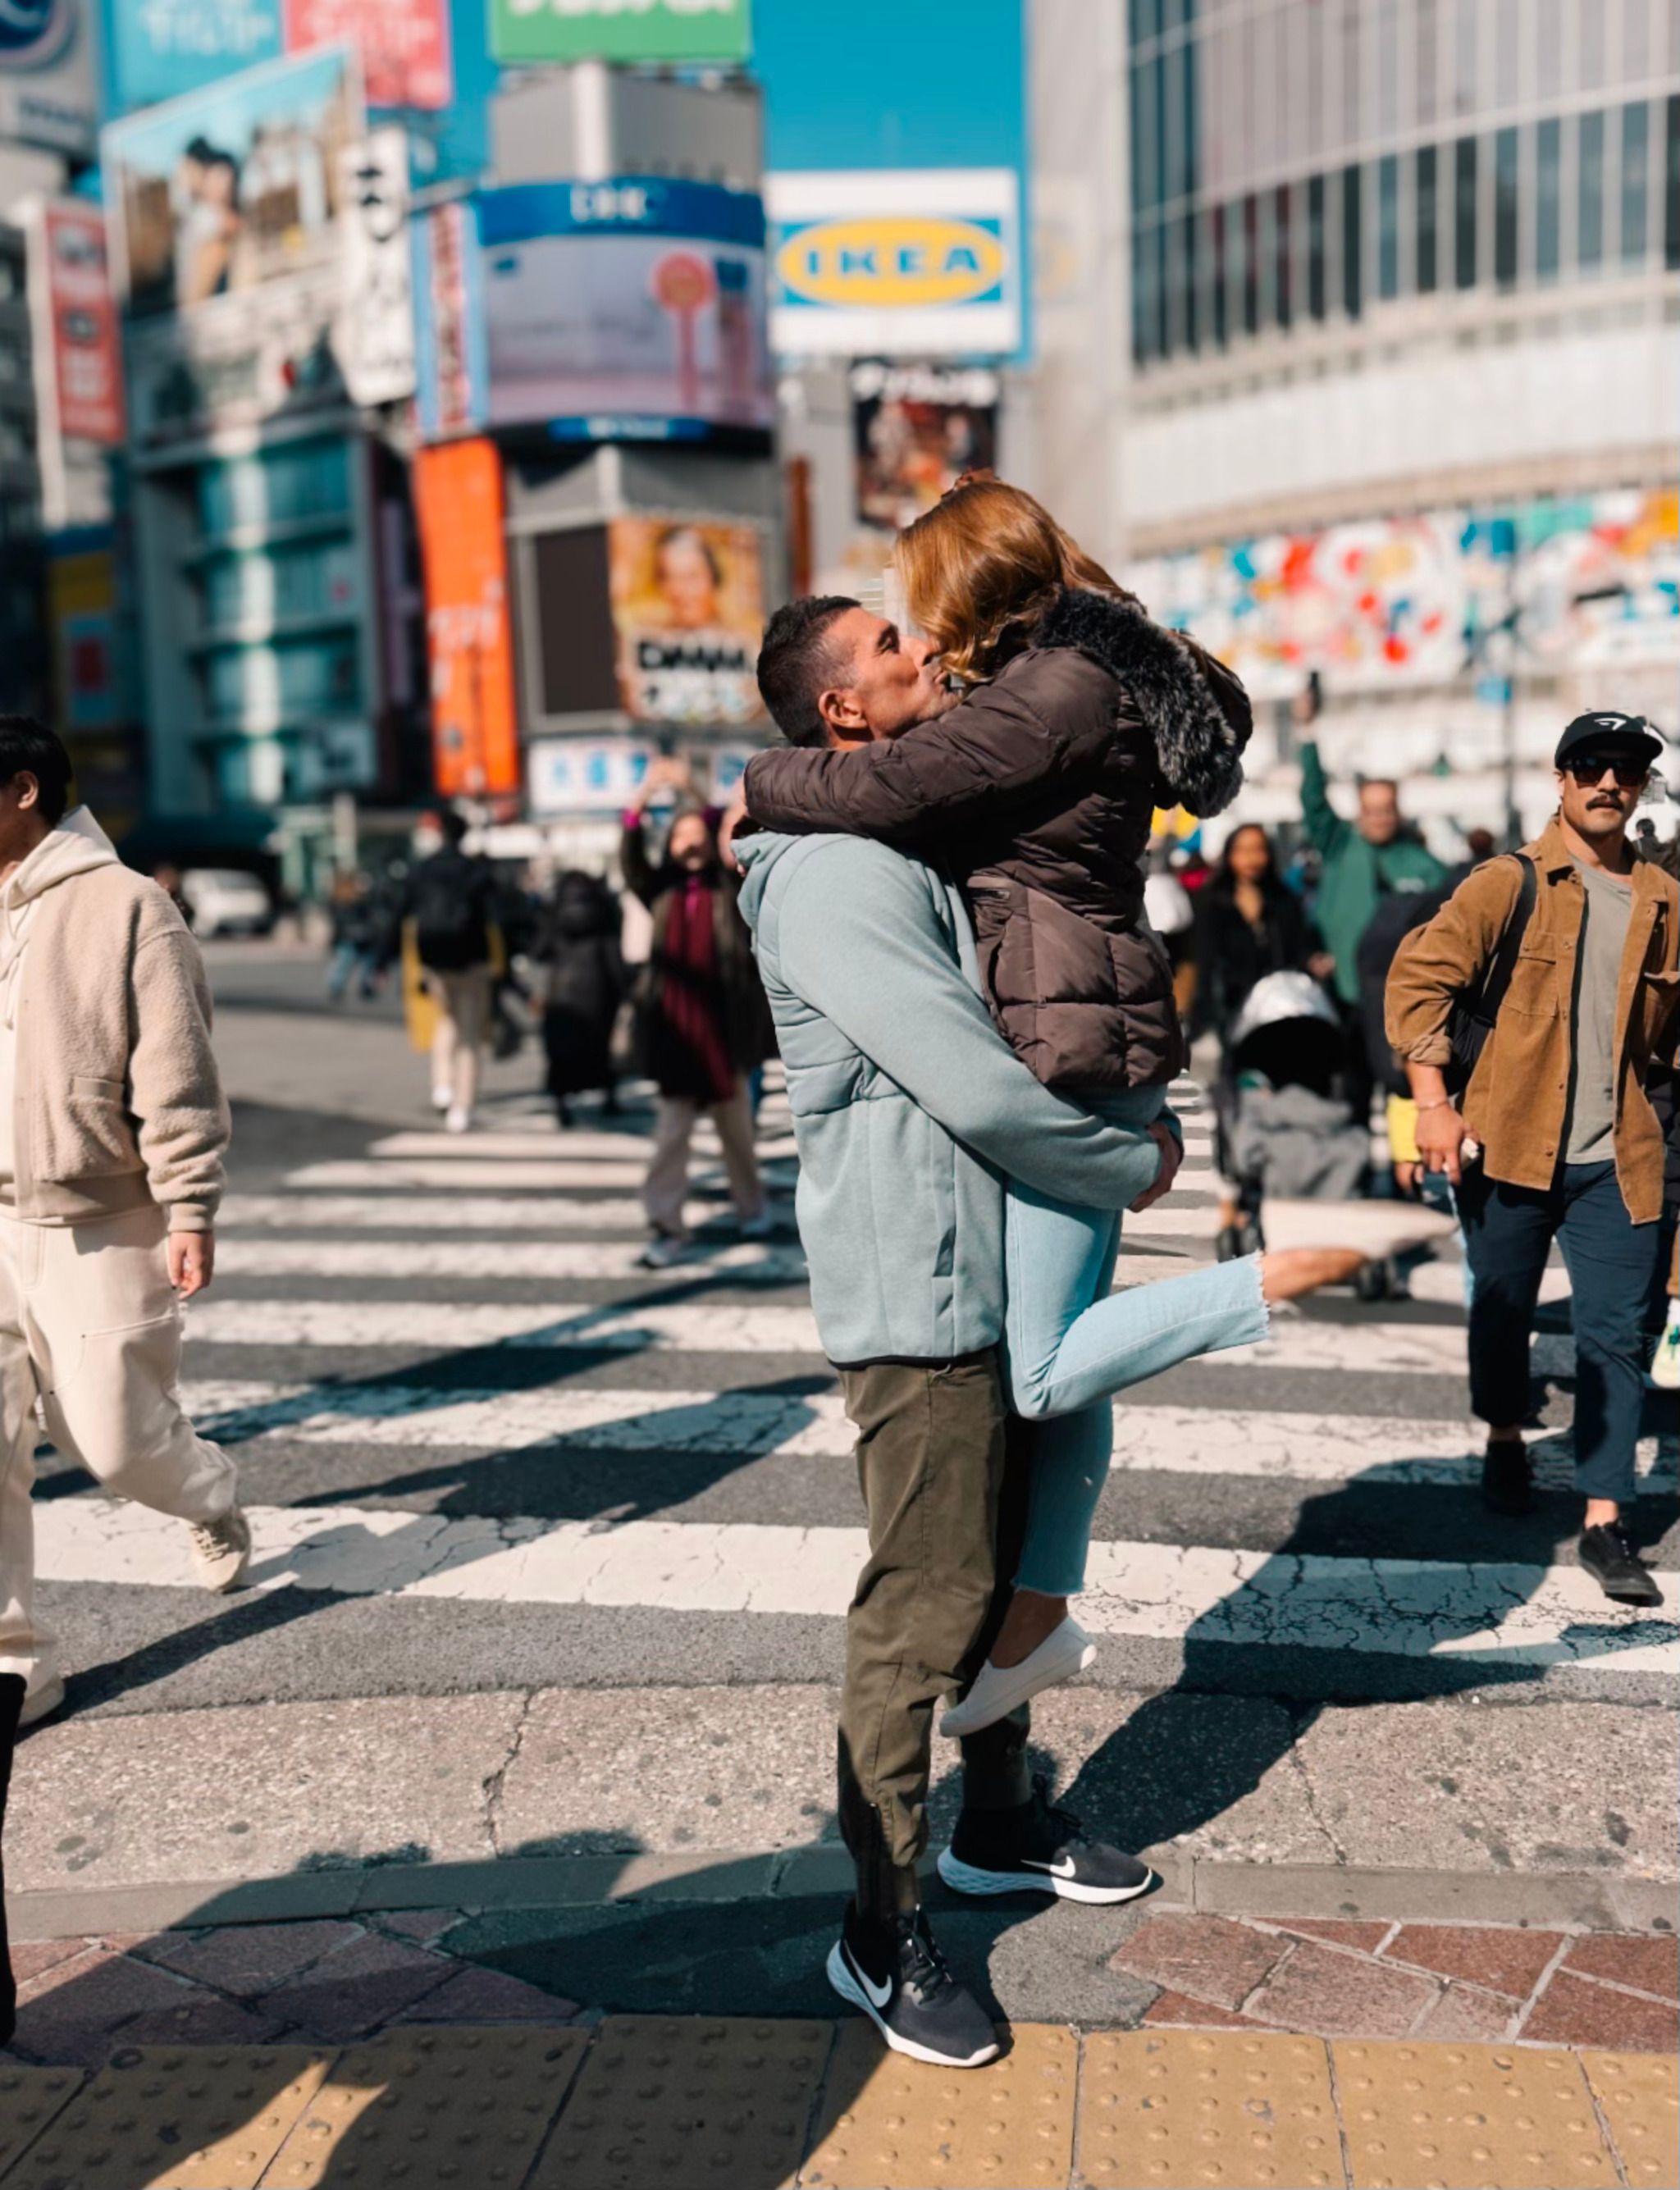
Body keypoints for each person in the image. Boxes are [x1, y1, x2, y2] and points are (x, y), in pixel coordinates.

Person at [746, 484, 1416, 1731]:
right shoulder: (1064, 674)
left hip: (1072, 1041)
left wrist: (764, 776)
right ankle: (1039, 1613)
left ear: (972, 581)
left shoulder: (1057, 684)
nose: (921, 636)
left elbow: (895, 786)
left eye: (918, 607)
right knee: (1055, 1360)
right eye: (896, 632)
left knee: (1046, 1369)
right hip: (1077, 1024)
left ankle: (1259, 1285)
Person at [1387, 710, 1680, 1604]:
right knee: (1501, 1312)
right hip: (1506, 1143)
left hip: (1618, 1156)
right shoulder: (1505, 883)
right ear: (1560, 779)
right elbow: (1418, 983)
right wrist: (1432, 1106)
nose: (1608, 782)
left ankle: (1604, 1521)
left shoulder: (1666, 901)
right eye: (1591, 765)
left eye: (1625, 769)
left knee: (1616, 1336)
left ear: (1641, 786)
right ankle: (1505, 1436)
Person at [0, 718, 252, 1745]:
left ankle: (207, 1493)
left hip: (100, 1214)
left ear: (23, 790)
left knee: (114, 1441)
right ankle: (15, 1660)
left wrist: (189, 1206)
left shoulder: (129, 905)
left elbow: (177, 1076)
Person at [621, 760, 774, 1267]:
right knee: (671, 1138)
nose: (689, 843)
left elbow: (718, 824)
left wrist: (689, 789)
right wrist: (644, 797)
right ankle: (666, 1225)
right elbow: (630, 856)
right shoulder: (659, 890)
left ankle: (752, 1209)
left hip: (725, 1033)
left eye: (696, 835)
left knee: (738, 1137)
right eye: (679, 836)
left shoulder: (726, 885)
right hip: (675, 1035)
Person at [1298, 701, 1446, 1125]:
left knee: (1403, 1091)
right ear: (1359, 812)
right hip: (1344, 994)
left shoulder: (1423, 864)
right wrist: (1308, 732)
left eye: (1386, 809)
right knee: (1350, 1090)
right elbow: (1313, 798)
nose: (1378, 818)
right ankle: (1355, 1156)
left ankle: (1407, 1159)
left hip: (1399, 1002)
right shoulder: (1339, 844)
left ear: (1398, 811)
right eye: (1370, 810)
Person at [389, 809, 500, 1134]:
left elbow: (400, 914)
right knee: (469, 1034)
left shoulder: (423, 869)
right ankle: (462, 1107)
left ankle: (442, 1087)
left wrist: (382, 959)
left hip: (434, 958)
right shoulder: (475, 870)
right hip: (472, 959)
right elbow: (497, 917)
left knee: (446, 1019)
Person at [1191, 823, 1329, 1052]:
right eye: (1243, 850)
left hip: (1277, 1006)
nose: (1251, 859)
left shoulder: (1284, 899)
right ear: (1230, 854)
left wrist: (1312, 960)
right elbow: (1206, 961)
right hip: (1230, 1005)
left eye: (1259, 849)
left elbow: (1299, 946)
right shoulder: (1212, 901)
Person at [534, 869, 626, 1127]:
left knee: (561, 1053)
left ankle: (562, 1104)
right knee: (602, 1048)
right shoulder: (603, 910)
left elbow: (539, 951)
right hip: (599, 988)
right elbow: (613, 956)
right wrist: (624, 990)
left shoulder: (556, 912)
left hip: (561, 991)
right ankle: (609, 1098)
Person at [325, 868, 383, 1003]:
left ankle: (340, 987)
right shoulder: (353, 899)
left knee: (347, 962)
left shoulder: (342, 899)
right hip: (353, 936)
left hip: (355, 936)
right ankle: (360, 986)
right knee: (353, 962)